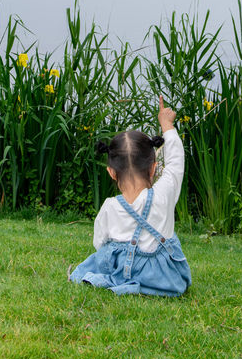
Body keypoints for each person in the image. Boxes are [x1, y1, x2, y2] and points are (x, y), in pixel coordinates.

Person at [69, 95, 191, 296]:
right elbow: (176, 161)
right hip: (165, 280)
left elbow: (100, 243)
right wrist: (166, 125)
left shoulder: (110, 206)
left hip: (122, 273)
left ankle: (124, 282)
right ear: (153, 168)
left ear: (111, 172)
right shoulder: (165, 194)